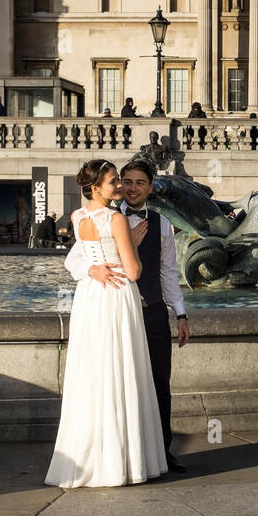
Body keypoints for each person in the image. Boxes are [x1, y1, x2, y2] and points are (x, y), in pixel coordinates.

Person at [47, 160, 168, 487]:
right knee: (120, 371)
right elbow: (133, 272)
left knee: (93, 373)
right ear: (96, 187)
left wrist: (92, 269)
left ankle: (87, 459)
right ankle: (122, 461)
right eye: (114, 181)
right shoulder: (116, 219)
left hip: (89, 298)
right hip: (116, 297)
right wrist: (132, 243)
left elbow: (80, 258)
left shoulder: (77, 216)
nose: (119, 186)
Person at [64, 159, 190, 471]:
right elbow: (73, 260)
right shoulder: (108, 216)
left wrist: (181, 313)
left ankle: (160, 451)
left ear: (150, 188)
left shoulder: (162, 224)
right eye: (126, 181)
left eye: (138, 183)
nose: (130, 188)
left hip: (153, 314)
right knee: (123, 384)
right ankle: (127, 455)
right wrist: (93, 268)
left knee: (158, 385)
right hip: (119, 311)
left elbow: (168, 273)